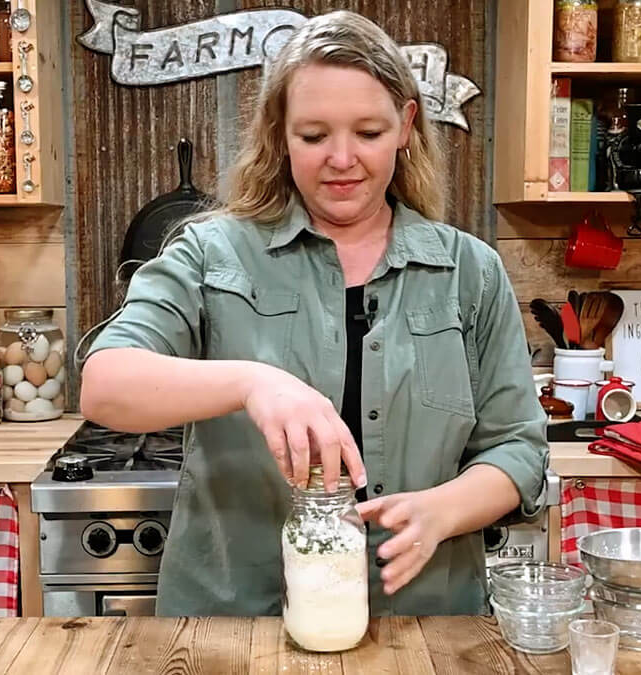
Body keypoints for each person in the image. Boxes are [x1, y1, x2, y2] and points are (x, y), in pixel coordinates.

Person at [80, 10, 548, 617]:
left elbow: (516, 446)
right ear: (280, 131)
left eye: (370, 133)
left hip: (424, 625)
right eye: (313, 135)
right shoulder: (208, 253)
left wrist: (445, 509)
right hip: (237, 625)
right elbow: (105, 383)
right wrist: (252, 382)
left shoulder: (469, 271)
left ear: (406, 125)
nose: (342, 158)